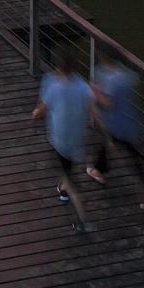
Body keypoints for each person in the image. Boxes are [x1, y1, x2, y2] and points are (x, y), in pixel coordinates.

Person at [32, 48, 93, 231]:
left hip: (59, 139)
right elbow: (91, 108)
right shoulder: (82, 85)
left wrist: (35, 114)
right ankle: (64, 188)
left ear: (58, 67)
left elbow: (41, 109)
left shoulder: (53, 84)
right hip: (77, 137)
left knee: (67, 175)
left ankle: (82, 219)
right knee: (68, 168)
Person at [89, 52, 144, 212]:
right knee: (135, 161)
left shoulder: (112, 80)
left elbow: (108, 104)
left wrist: (95, 93)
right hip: (132, 123)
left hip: (117, 125)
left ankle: (98, 170)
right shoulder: (128, 75)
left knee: (109, 143)